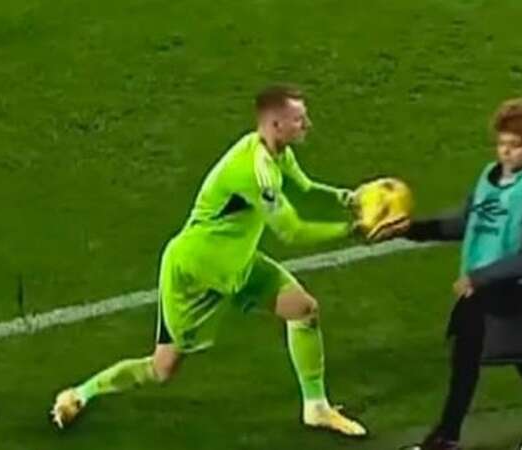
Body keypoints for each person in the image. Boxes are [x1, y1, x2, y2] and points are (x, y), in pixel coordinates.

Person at [51, 84, 368, 436]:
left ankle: (317, 408)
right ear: (276, 124)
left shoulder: (277, 152)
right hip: (194, 272)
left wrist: (348, 199)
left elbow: (305, 188)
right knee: (162, 368)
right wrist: (353, 230)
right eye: (299, 118)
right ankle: (80, 394)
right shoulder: (254, 169)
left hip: (237, 264)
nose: (307, 123)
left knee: (304, 310)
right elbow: (291, 231)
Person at [396, 98, 522, 450]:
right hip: (482, 287)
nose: (506, 152)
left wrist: (479, 277)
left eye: (515, 146)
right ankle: (446, 439)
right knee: (465, 364)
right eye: (502, 144)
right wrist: (408, 229)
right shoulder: (489, 178)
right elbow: (465, 223)